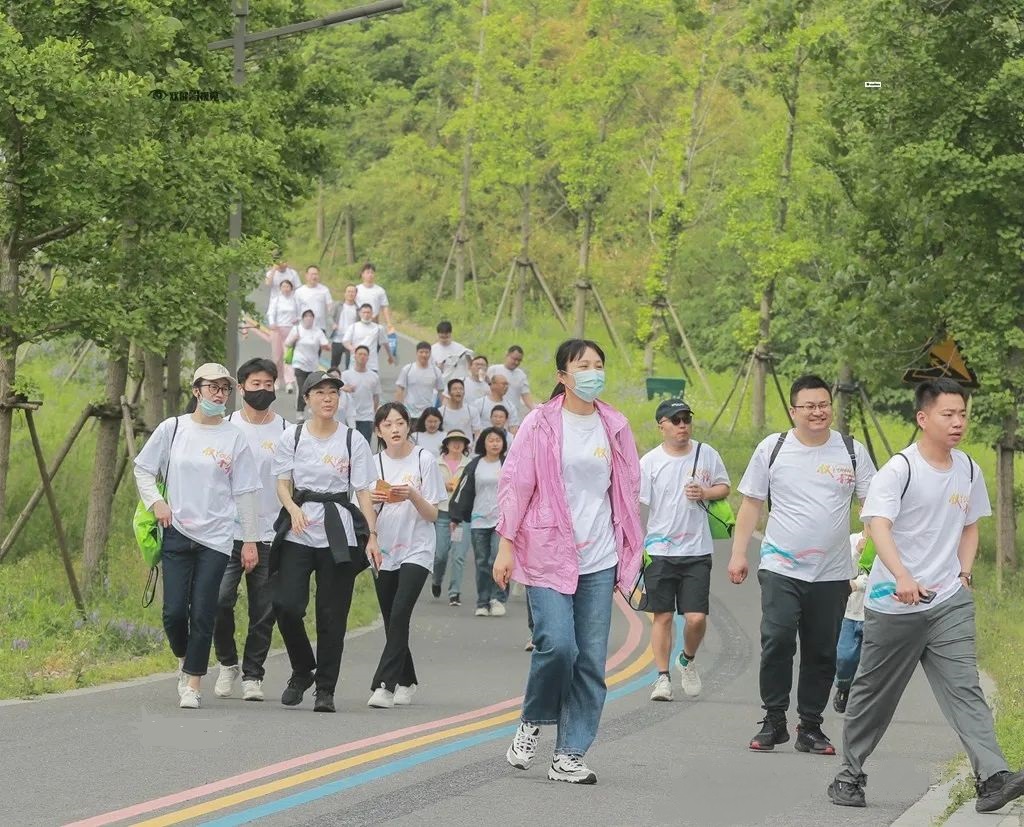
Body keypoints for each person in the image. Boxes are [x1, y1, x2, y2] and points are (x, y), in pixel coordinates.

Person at [829, 379, 1024, 813]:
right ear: (923, 418)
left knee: (965, 688)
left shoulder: (968, 469)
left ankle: (993, 778)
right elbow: (878, 525)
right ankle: (849, 774)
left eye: (962, 415)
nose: (958, 423)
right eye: (947, 414)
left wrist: (965, 572)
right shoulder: (900, 470)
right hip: (894, 603)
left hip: (948, 600)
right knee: (874, 695)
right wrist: (901, 575)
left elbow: (970, 526)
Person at [495, 339, 643, 785]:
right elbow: (515, 483)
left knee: (590, 661)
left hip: (599, 557)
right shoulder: (540, 423)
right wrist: (506, 544)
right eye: (583, 365)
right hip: (547, 552)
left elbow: (627, 491)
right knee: (559, 646)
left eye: (599, 364)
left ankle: (570, 754)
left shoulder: (615, 425)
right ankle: (532, 721)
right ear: (563, 375)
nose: (593, 372)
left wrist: (630, 552)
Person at [727, 374, 876, 755]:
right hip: (780, 565)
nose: (817, 411)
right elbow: (751, 503)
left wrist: (874, 548)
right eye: (809, 406)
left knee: (821, 651)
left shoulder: (851, 451)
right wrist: (739, 553)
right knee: (777, 639)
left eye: (823, 404)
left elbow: (873, 507)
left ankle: (810, 726)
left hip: (833, 572)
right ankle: (774, 719)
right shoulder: (774, 448)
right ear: (793, 411)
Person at [133, 364, 262, 710]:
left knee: (205, 610)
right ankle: (184, 656)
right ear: (196, 390)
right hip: (176, 531)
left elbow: (245, 491)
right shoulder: (173, 429)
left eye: (225, 389)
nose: (219, 394)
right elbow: (143, 469)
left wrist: (250, 540)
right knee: (174, 612)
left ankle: (192, 683)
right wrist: (157, 502)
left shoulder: (234, 437)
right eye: (212, 387)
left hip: (216, 538)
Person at [271, 371, 380, 713]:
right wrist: (292, 509)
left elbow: (363, 491)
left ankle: (325, 689)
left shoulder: (352, 440)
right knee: (286, 605)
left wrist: (372, 536)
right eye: (319, 392)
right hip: (299, 530)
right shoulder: (293, 436)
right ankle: (303, 668)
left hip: (339, 533)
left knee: (332, 615)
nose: (327, 398)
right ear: (307, 399)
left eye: (333, 392)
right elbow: (282, 483)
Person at [640, 399, 731, 702]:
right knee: (663, 616)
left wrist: (705, 492)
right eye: (675, 420)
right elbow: (636, 505)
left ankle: (687, 659)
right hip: (660, 549)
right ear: (662, 426)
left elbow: (724, 487)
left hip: (697, 550)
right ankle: (662, 678)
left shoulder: (707, 454)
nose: (682, 425)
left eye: (686, 419)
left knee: (696, 618)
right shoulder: (650, 462)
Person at [213, 359, 289, 702]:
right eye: (255, 384)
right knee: (219, 600)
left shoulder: (287, 430)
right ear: (241, 388)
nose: (262, 390)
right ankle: (227, 661)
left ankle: (253, 675)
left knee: (264, 609)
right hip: (226, 531)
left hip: (271, 532)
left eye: (268, 384)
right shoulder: (225, 427)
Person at [367, 402, 445, 709]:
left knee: (400, 613)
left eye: (400, 422)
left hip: (418, 547)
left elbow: (433, 514)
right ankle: (407, 679)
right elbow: (365, 511)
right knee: (391, 619)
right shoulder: (373, 464)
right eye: (388, 424)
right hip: (384, 548)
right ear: (378, 431)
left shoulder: (424, 459)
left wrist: (412, 494)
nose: (395, 429)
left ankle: (383, 685)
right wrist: (372, 501)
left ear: (408, 426)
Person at [450, 427, 508, 618]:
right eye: (491, 440)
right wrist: (456, 516)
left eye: (498, 440)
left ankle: (498, 598)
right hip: (479, 520)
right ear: (483, 442)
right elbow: (463, 490)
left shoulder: (508, 463)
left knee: (497, 559)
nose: (494, 444)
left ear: (503, 443)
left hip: (502, 521)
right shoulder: (475, 465)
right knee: (482, 562)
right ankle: (482, 601)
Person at [431, 430, 472, 606]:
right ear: (446, 444)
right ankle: (436, 580)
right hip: (442, 513)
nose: (456, 444)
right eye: (453, 441)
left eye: (460, 441)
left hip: (462, 515)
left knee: (458, 556)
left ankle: (454, 592)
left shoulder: (470, 464)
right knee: (440, 554)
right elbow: (427, 485)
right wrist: (443, 485)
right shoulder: (435, 463)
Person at [831, 530, 869, 714]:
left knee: (869, 663)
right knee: (844, 657)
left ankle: (863, 700)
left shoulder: (887, 543)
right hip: (849, 612)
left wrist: (857, 584)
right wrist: (857, 553)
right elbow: (842, 573)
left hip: (872, 614)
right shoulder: (852, 541)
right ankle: (844, 686)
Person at [285, 309, 330, 417]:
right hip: (299, 363)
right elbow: (287, 343)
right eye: (306, 316)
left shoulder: (318, 331)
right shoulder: (297, 329)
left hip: (313, 365)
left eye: (311, 316)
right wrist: (294, 339)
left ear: (313, 319)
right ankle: (300, 411)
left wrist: (326, 346)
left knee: (312, 389)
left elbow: (326, 345)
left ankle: (312, 407)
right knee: (302, 389)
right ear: (303, 318)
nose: (308, 318)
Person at [341, 345, 382, 444]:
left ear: (368, 357)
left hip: (367, 417)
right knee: (348, 444)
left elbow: (376, 396)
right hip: (349, 415)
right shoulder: (345, 375)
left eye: (365, 354)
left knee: (364, 444)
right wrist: (345, 388)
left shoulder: (374, 376)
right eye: (360, 354)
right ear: (354, 356)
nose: (362, 356)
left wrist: (374, 414)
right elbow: (339, 392)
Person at [395, 342, 444, 420]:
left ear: (430, 354)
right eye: (421, 352)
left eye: (426, 352)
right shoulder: (407, 369)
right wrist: (398, 410)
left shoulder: (436, 371)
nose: (424, 355)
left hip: (428, 413)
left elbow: (441, 391)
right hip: (410, 413)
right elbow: (400, 389)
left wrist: (444, 410)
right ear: (416, 353)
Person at [267, 278, 299, 392]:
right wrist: (272, 323)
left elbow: (301, 313)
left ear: (291, 288)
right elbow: (270, 313)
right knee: (277, 358)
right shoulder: (276, 300)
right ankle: (276, 380)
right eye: (283, 287)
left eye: (288, 286)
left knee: (288, 357)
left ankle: (289, 382)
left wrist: (297, 320)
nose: (286, 289)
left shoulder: (295, 300)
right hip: (277, 330)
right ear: (280, 288)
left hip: (290, 330)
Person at [343, 303, 393, 373]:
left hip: (372, 364)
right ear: (360, 313)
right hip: (355, 363)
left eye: (368, 312)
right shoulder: (353, 327)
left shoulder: (378, 328)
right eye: (364, 312)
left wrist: (390, 356)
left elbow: (385, 343)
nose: (366, 315)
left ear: (372, 313)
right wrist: (352, 348)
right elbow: (345, 341)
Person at [488, 345, 536, 412]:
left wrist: (535, 409)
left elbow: (525, 395)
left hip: (513, 412)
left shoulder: (521, 375)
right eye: (514, 359)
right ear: (507, 355)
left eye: (519, 360)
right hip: (494, 411)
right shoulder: (493, 370)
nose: (516, 362)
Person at [293, 265, 333, 334]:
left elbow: (330, 305)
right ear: (306, 275)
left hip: (320, 327)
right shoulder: (299, 291)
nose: (314, 277)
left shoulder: (324, 290)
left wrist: (331, 319)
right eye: (311, 274)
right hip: (304, 327)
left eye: (316, 274)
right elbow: (296, 309)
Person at [431, 321, 473, 385]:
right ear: (438, 334)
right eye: (442, 336)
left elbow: (470, 365)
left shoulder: (460, 348)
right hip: (441, 383)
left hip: (457, 382)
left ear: (450, 334)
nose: (444, 339)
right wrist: (438, 368)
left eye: (446, 336)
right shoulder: (432, 349)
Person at [355, 262, 393, 331]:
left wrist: (389, 323)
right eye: (368, 272)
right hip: (358, 321)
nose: (370, 275)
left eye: (372, 273)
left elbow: (385, 307)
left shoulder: (380, 290)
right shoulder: (356, 289)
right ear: (362, 274)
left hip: (374, 321)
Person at [330, 284, 359, 371]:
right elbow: (329, 317)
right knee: (334, 365)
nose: (350, 294)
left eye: (353, 292)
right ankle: (332, 379)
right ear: (345, 293)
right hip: (337, 338)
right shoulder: (338, 305)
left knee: (349, 365)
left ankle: (347, 379)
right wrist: (333, 324)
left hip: (351, 341)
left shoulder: (358, 309)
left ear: (356, 294)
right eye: (348, 291)